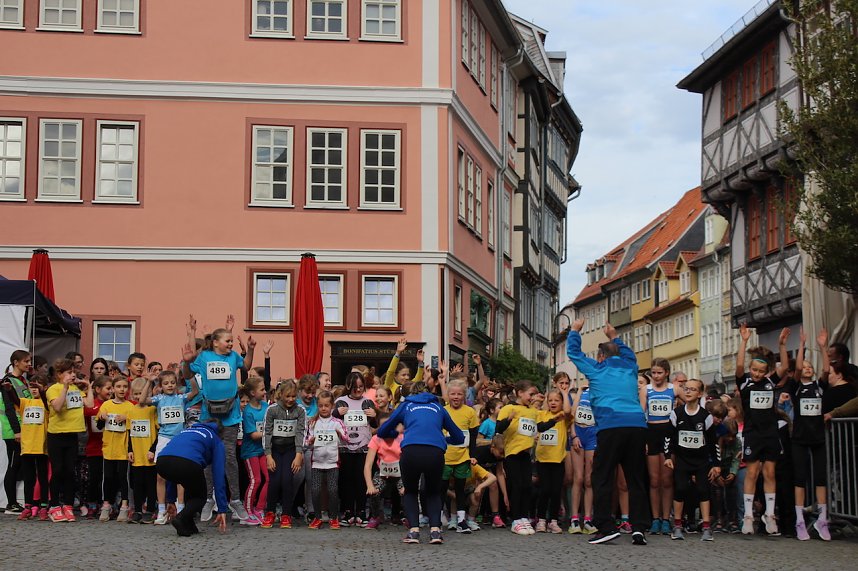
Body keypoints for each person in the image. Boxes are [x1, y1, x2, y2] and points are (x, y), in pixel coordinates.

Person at [566, 319, 648, 546]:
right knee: (636, 479)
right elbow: (628, 352)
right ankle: (639, 528)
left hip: (611, 426)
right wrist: (614, 335)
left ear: (600, 356)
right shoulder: (631, 366)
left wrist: (574, 331)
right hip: (637, 426)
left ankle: (606, 526)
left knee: (601, 477)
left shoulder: (596, 368)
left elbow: (573, 352)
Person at [378, 363, 464, 545]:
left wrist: (397, 433)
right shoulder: (438, 407)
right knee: (433, 491)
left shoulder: (406, 405)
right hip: (435, 452)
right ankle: (435, 532)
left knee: (410, 491)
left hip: (411, 450)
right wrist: (443, 441)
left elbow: (382, 430)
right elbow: (458, 436)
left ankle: (414, 532)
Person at [184, 322, 255, 523]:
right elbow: (188, 372)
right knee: (208, 459)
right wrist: (191, 337)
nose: (231, 344)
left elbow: (247, 366)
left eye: (232, 340)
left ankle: (236, 499)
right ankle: (208, 498)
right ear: (215, 343)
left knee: (230, 457)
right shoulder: (205, 357)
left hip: (231, 415)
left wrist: (250, 349)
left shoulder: (233, 357)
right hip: (209, 414)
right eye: (228, 340)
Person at [736, 324, 789, 536]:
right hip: (752, 433)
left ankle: (769, 514)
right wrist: (744, 341)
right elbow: (739, 366)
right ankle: (748, 516)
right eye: (754, 370)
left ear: (766, 372)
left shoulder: (769, 382)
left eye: (760, 371)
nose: (757, 374)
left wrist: (782, 346)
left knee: (769, 472)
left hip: (770, 433)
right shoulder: (744, 383)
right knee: (752, 472)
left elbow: (784, 367)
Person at [664, 378, 720, 542]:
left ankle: (706, 527)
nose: (688, 392)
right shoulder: (677, 413)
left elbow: (712, 442)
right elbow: (669, 437)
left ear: (700, 393)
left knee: (703, 490)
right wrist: (668, 456)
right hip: (682, 460)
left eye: (692, 389)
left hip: (701, 461)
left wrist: (716, 464)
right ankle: (678, 525)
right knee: (680, 489)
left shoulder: (705, 417)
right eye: (686, 389)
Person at [141, 366, 197, 524]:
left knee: (181, 476)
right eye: (166, 383)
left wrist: (190, 376)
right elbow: (142, 401)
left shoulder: (181, 398)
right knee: (160, 476)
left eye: (173, 382)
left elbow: (195, 392)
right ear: (161, 386)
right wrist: (148, 382)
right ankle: (161, 510)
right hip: (164, 438)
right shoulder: (159, 399)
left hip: (179, 438)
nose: (170, 385)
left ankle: (180, 509)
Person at [156, 420, 229, 536]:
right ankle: (181, 518)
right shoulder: (215, 438)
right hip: (188, 463)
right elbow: (218, 475)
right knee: (200, 497)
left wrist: (170, 499)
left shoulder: (185, 431)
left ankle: (187, 525)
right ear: (221, 434)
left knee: (191, 486)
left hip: (162, 462)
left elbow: (174, 461)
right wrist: (222, 508)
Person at [45, 358, 94, 522]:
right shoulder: (54, 389)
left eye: (74, 372)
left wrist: (88, 387)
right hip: (56, 435)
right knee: (57, 470)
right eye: (69, 372)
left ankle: (67, 505)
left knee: (69, 472)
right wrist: (64, 388)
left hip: (72, 435)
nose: (73, 375)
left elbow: (90, 404)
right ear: (60, 374)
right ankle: (54, 506)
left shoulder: (75, 388)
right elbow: (57, 407)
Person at [495, 379, 540, 536]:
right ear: (520, 393)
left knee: (527, 486)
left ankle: (523, 517)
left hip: (526, 454)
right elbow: (498, 428)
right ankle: (515, 519)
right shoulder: (509, 408)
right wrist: (509, 419)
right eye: (531, 394)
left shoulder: (532, 411)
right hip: (512, 453)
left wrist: (555, 420)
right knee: (516, 486)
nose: (533, 397)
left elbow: (538, 427)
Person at [333, 371, 377, 527]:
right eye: (355, 387)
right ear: (348, 386)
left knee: (361, 480)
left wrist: (374, 415)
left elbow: (375, 425)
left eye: (360, 387)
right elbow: (331, 421)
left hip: (364, 447)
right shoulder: (340, 401)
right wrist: (336, 413)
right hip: (345, 447)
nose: (358, 390)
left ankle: (361, 511)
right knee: (346, 481)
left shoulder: (368, 402)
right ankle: (347, 511)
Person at [261, 379, 305, 529]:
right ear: (281, 395)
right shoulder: (272, 410)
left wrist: (299, 455)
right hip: (274, 450)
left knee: (287, 480)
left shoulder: (300, 411)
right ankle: (270, 512)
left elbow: (300, 433)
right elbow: (266, 433)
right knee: (274, 481)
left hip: (290, 449)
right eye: (288, 396)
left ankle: (286, 514)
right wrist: (268, 455)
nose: (291, 400)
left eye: (293, 396)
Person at [639, 358, 675, 535]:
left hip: (668, 433)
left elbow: (689, 402)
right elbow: (642, 412)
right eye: (653, 373)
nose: (656, 376)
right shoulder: (647, 389)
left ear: (666, 373)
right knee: (654, 480)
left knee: (667, 480)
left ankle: (666, 518)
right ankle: (655, 519)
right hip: (651, 433)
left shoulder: (673, 389)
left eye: (659, 372)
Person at [441, 378, 480, 533]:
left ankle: (462, 521)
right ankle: (440, 518)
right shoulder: (443, 411)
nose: (456, 397)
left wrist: (472, 455)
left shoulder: (470, 412)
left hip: (462, 456)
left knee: (460, 489)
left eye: (459, 394)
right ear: (448, 395)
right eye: (452, 394)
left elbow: (473, 436)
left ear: (464, 396)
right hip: (445, 456)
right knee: (442, 488)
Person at [305, 391, 347, 530]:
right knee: (315, 490)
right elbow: (306, 442)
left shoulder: (338, 422)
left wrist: (339, 435)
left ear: (332, 406)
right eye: (321, 405)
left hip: (332, 463)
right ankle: (317, 517)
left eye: (326, 406)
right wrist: (310, 441)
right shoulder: (312, 422)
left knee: (333, 490)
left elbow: (345, 440)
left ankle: (334, 517)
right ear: (317, 406)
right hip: (317, 462)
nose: (323, 408)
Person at [534, 386, 572, 533]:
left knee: (556, 491)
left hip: (558, 460)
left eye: (557, 400)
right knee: (545, 490)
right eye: (550, 400)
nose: (553, 403)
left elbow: (568, 411)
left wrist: (564, 392)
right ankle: (541, 520)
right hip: (543, 459)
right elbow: (538, 427)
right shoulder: (541, 414)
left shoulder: (563, 417)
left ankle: (554, 521)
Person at [97, 376, 135, 522]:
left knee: (123, 478)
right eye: (118, 386)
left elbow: (133, 431)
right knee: (107, 478)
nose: (122, 389)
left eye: (125, 386)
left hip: (123, 449)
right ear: (113, 388)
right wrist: (101, 417)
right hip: (108, 448)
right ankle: (107, 504)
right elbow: (99, 426)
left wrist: (127, 418)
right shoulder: (106, 404)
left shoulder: (130, 407)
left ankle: (124, 505)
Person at [364, 412, 404, 529]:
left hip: (401, 473)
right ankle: (375, 516)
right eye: (383, 427)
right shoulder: (376, 439)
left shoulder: (402, 438)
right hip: (382, 474)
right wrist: (369, 486)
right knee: (374, 489)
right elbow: (368, 465)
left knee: (408, 491)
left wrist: (407, 484)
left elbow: (410, 463)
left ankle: (405, 516)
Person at [16, 376, 48, 520]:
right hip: (27, 446)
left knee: (42, 477)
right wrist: (7, 390)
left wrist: (42, 392)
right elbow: (14, 401)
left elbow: (46, 402)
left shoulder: (46, 403)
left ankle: (43, 506)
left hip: (41, 446)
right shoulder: (25, 402)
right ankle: (28, 505)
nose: (34, 389)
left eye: (38, 386)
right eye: (32, 386)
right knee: (28, 478)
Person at [127, 378, 158, 524]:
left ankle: (150, 509)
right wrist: (130, 450)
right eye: (137, 394)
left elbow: (159, 432)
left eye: (142, 393)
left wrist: (153, 449)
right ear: (132, 395)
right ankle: (138, 510)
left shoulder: (152, 410)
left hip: (149, 454)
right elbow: (130, 431)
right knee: (137, 483)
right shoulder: (131, 410)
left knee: (151, 484)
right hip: (137, 454)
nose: (140, 397)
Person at [569, 381, 598, 535]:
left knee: (589, 479)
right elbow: (571, 415)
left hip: (593, 435)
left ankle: (587, 518)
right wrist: (573, 436)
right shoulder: (580, 393)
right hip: (578, 433)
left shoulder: (601, 394)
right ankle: (574, 518)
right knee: (578, 478)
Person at [241, 377, 268, 525]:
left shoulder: (265, 406)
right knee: (255, 480)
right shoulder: (248, 412)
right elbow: (253, 434)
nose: (264, 392)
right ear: (252, 392)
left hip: (263, 450)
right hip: (250, 451)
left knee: (269, 478)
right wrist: (269, 432)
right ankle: (247, 510)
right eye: (262, 389)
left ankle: (259, 508)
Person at [384, 338, 424, 406]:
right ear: (395, 376)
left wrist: (420, 363)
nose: (407, 377)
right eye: (403, 375)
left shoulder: (410, 387)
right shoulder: (390, 384)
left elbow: (418, 379)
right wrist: (398, 353)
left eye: (408, 375)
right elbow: (390, 371)